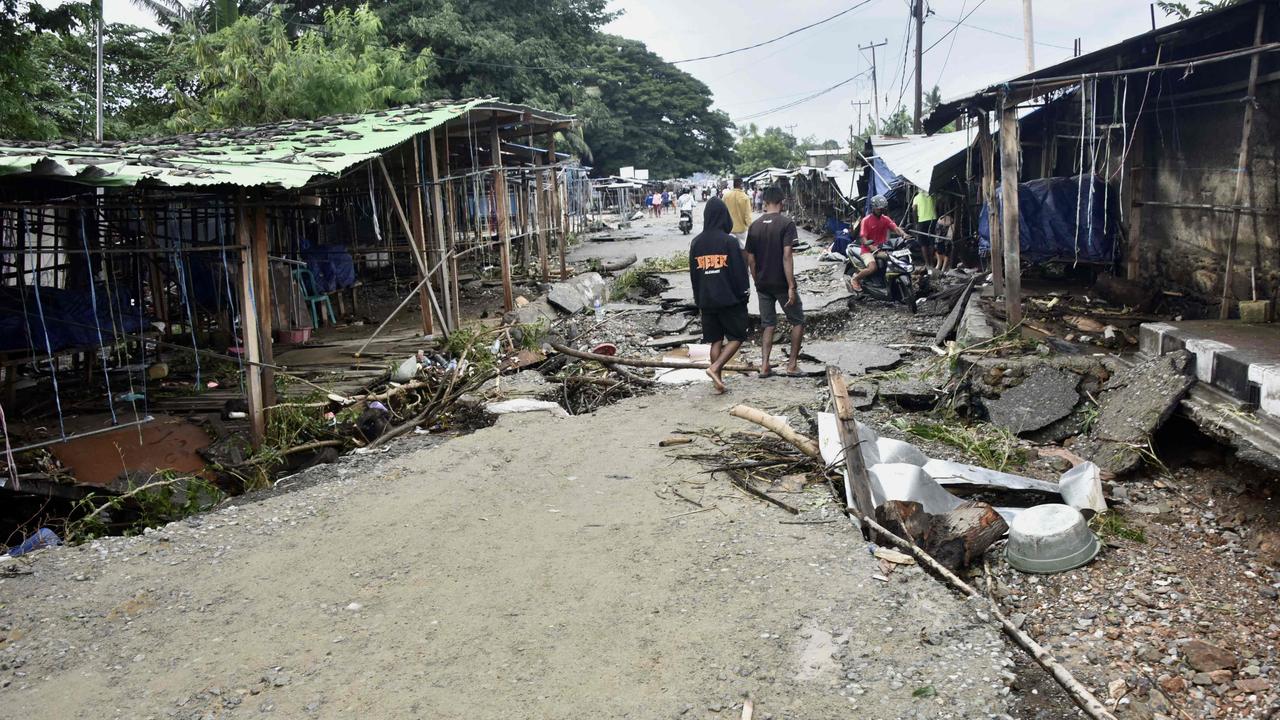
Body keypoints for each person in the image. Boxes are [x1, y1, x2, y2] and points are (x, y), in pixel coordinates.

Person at [688, 197, 750, 393]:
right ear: (724, 216)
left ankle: (718, 381)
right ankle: (715, 368)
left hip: (706, 300)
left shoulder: (696, 242)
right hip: (729, 299)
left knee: (716, 339)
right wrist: (744, 293)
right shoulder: (729, 241)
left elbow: (694, 274)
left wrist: (698, 299)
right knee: (738, 336)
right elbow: (738, 271)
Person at [745, 185, 804, 377]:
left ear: (765, 202)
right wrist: (791, 286)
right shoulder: (786, 224)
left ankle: (764, 366)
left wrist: (757, 280)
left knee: (768, 324)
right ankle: (792, 365)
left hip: (763, 284)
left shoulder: (754, 226)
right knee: (797, 321)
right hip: (781, 282)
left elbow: (751, 259)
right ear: (782, 202)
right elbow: (787, 256)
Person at [850, 194, 909, 292]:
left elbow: (896, 228)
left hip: (883, 248)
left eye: (882, 209)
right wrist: (872, 247)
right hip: (867, 250)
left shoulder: (885, 219)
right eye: (878, 209)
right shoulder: (866, 220)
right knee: (872, 268)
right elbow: (863, 238)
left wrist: (904, 234)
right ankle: (855, 279)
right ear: (873, 208)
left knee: (895, 261)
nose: (881, 210)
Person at [911, 190, 939, 270]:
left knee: (923, 243)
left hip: (922, 221)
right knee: (931, 242)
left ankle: (927, 263)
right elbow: (938, 204)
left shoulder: (917, 197)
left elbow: (914, 210)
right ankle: (932, 262)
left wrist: (916, 223)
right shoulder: (932, 195)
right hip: (933, 219)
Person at [723, 177, 753, 247]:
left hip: (729, 229)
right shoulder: (745, 197)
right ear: (741, 185)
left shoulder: (726, 196)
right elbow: (747, 216)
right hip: (741, 230)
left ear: (733, 184)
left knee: (729, 249)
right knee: (743, 248)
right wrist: (751, 228)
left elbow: (723, 212)